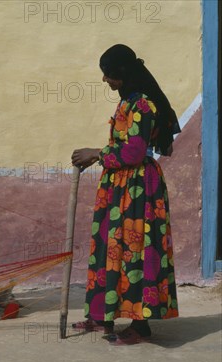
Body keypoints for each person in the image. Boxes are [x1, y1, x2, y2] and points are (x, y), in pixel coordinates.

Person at [71, 44, 179, 345]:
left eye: (109, 75)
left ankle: (140, 325)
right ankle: (101, 315)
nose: (106, 81)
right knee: (109, 248)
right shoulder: (128, 101)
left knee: (135, 251)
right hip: (118, 188)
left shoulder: (143, 105)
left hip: (138, 189)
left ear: (122, 73)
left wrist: (96, 154)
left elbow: (133, 152)